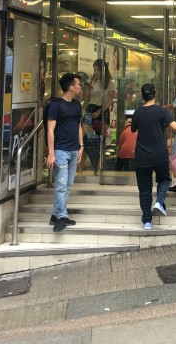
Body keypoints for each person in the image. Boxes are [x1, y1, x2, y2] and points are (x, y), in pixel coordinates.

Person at [130, 83, 176, 230]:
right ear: (155, 94)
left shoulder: (138, 112)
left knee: (144, 190)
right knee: (165, 179)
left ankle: (147, 221)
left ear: (143, 96)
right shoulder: (161, 111)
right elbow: (175, 127)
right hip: (159, 154)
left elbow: (133, 129)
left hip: (142, 156)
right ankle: (159, 201)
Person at [46, 73, 84, 232]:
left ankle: (55, 215)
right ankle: (62, 216)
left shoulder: (77, 105)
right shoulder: (56, 105)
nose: (80, 87)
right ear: (71, 87)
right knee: (61, 186)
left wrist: (81, 146)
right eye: (78, 84)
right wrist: (51, 153)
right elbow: (50, 129)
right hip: (60, 151)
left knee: (67, 186)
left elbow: (79, 126)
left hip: (74, 150)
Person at [82, 59, 116, 173]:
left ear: (103, 70)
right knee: (87, 138)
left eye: (98, 70)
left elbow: (110, 99)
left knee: (99, 139)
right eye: (94, 70)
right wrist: (87, 87)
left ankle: (96, 167)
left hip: (102, 110)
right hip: (90, 109)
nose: (96, 72)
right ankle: (81, 167)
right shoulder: (92, 81)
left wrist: (100, 111)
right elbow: (86, 99)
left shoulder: (110, 82)